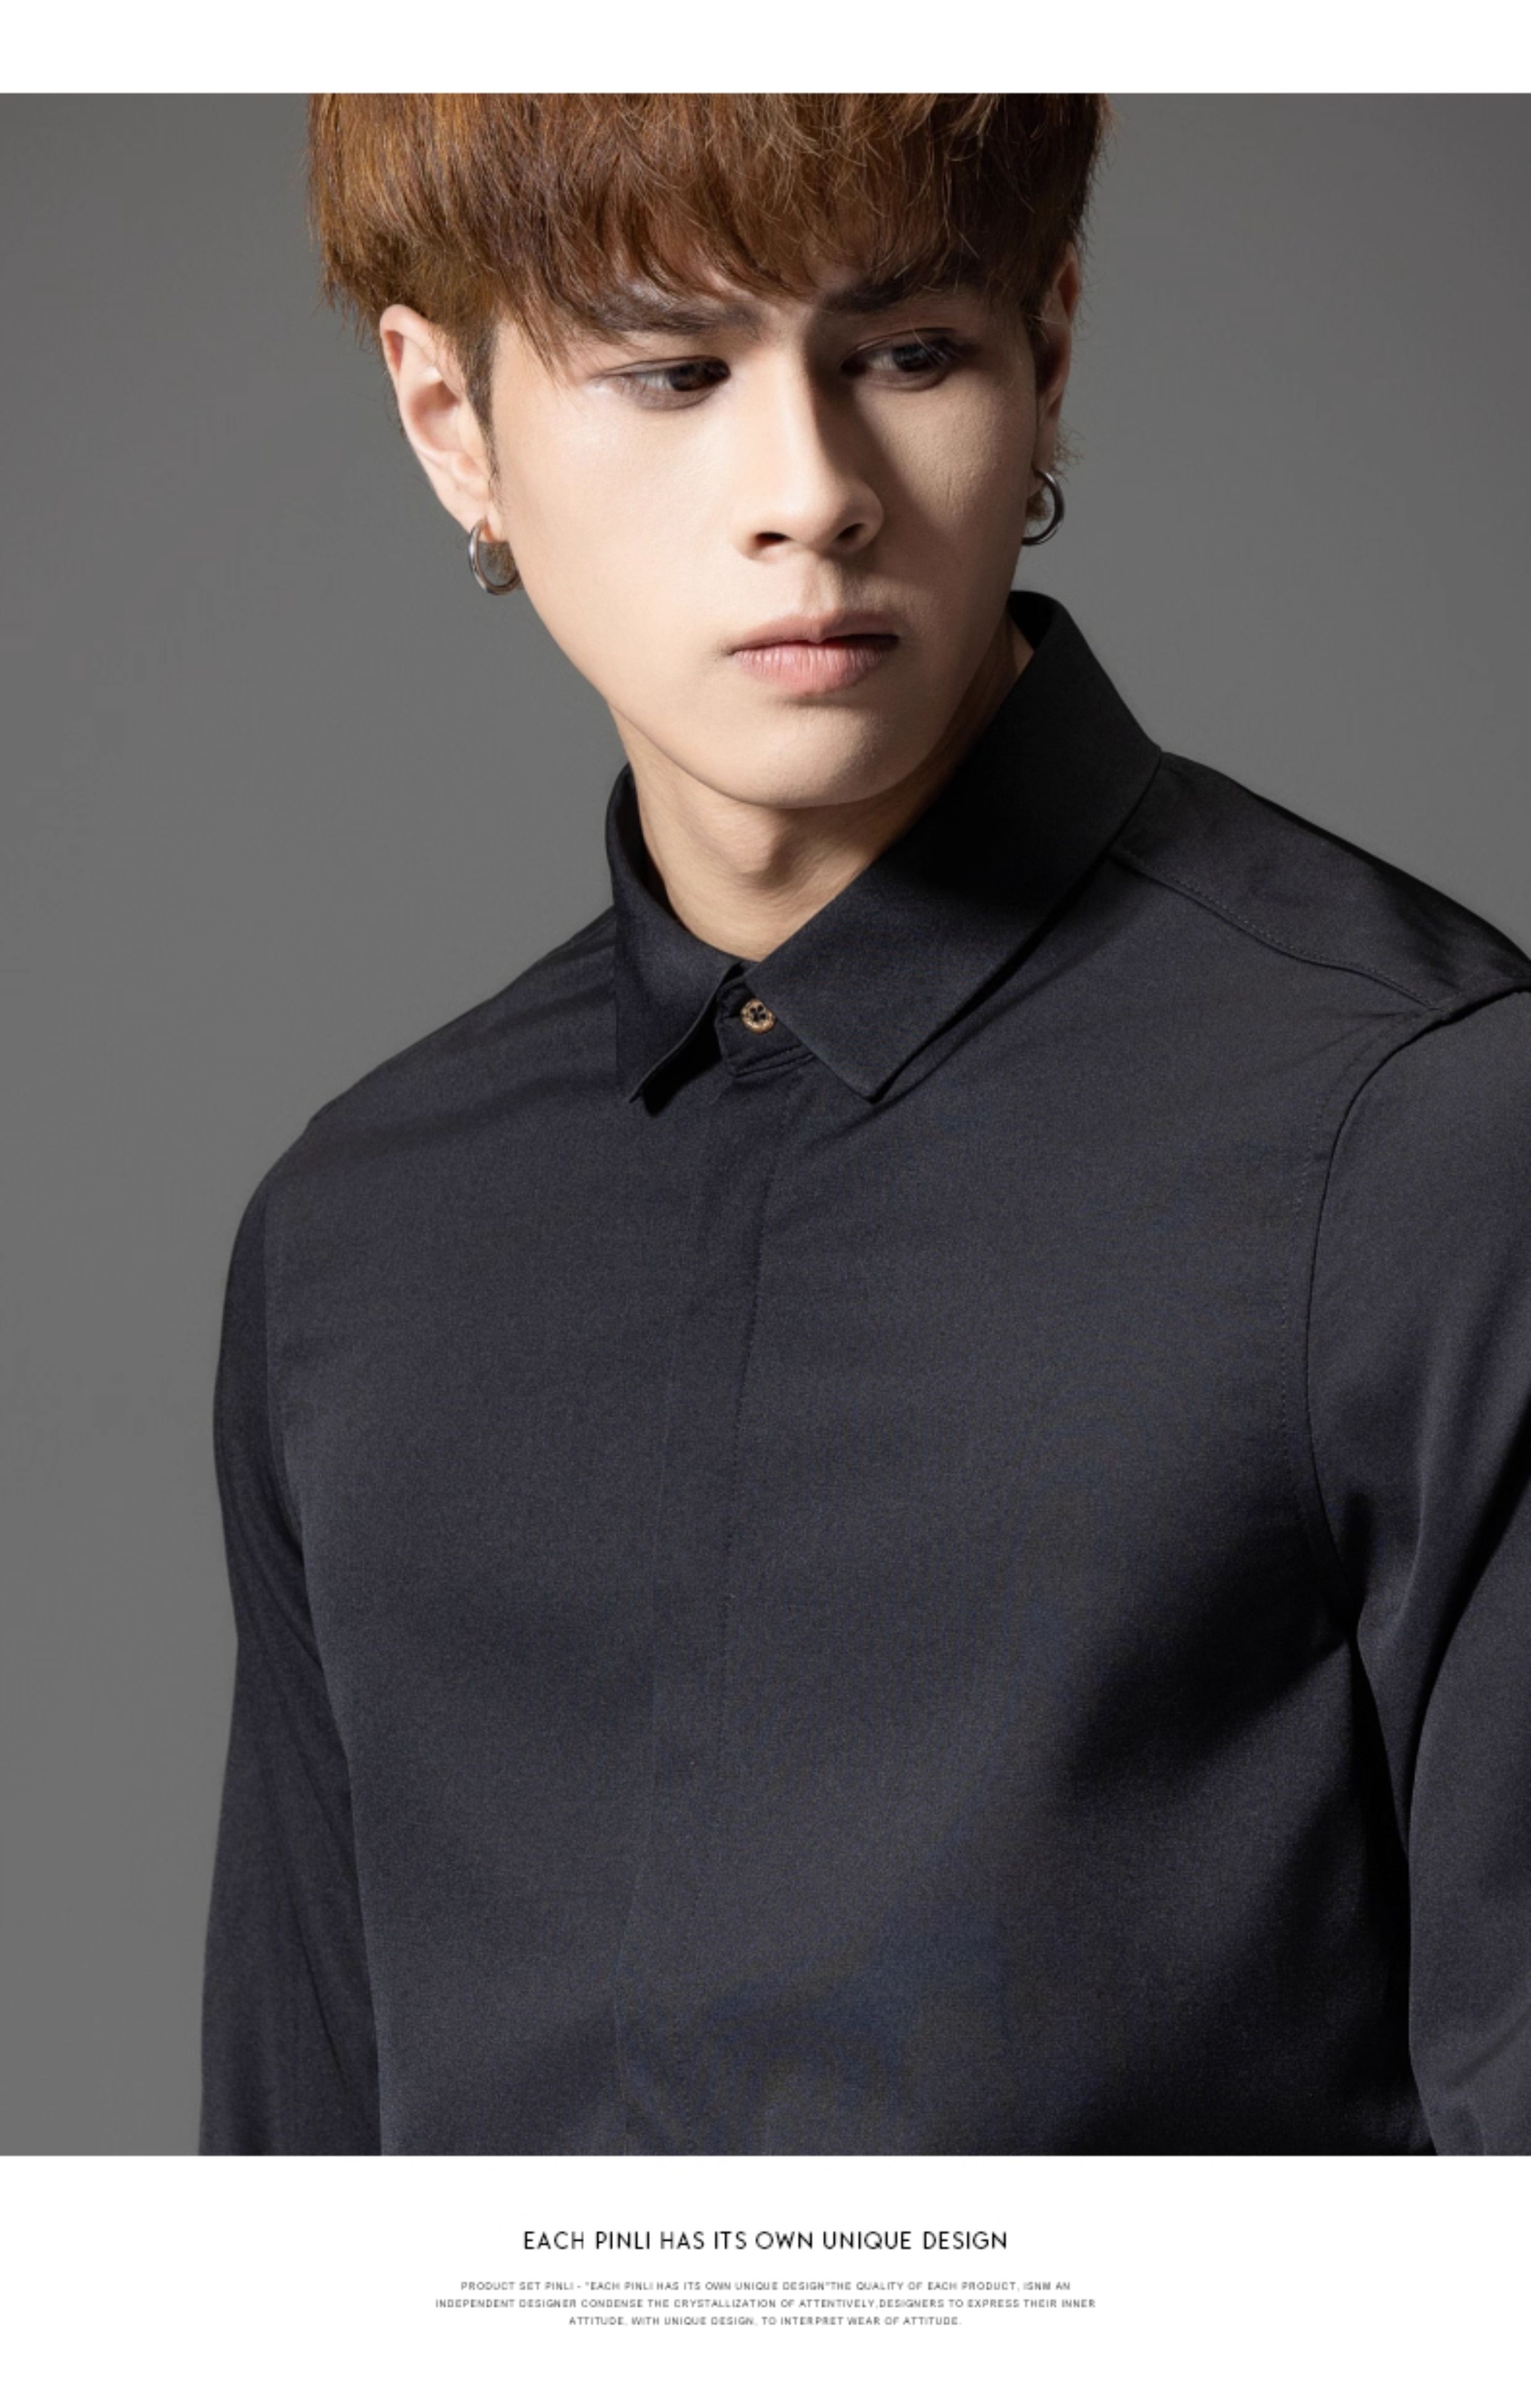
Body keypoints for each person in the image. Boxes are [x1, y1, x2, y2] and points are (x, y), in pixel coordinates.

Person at [199, 93, 1531, 2155]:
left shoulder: (1434, 1136)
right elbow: (287, 2219)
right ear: (451, 422)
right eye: (673, 371)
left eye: (908, 352)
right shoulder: (350, 1242)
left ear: (1048, 352)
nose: (809, 494)